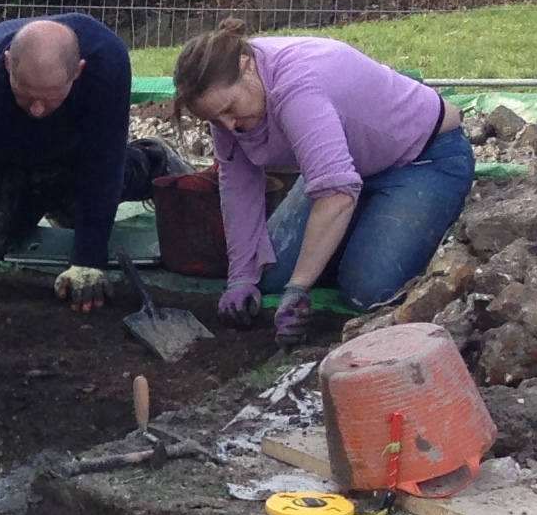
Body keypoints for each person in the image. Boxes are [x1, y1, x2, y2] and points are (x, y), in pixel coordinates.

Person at [170, 22, 475, 344]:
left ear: (247, 67)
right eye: (214, 120)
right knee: (268, 273)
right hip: (346, 167)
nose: (227, 125)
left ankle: (368, 237)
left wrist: (299, 288)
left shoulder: (297, 87)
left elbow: (336, 196)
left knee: (369, 291)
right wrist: (241, 277)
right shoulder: (228, 105)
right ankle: (357, 233)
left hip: (423, 160)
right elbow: (238, 185)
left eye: (229, 110)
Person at [0, 13, 170, 337]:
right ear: (7, 65)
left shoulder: (106, 64)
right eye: (26, 94)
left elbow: (104, 163)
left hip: (72, 150)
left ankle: (151, 159)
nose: (37, 110)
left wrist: (89, 258)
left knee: (83, 209)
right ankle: (39, 193)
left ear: (78, 72)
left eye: (49, 97)